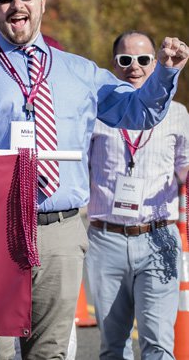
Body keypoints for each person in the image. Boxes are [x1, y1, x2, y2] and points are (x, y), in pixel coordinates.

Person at [0, 0, 189, 359]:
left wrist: (165, 73)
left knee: (48, 353)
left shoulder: (79, 71)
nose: (17, 4)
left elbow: (138, 112)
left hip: (59, 230)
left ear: (41, 2)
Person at [86, 30, 189, 359]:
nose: (135, 67)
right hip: (106, 239)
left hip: (158, 235)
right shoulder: (97, 114)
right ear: (114, 65)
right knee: (113, 346)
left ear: (156, 63)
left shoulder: (177, 114)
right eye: (125, 60)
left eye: (144, 60)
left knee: (158, 343)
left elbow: (185, 170)